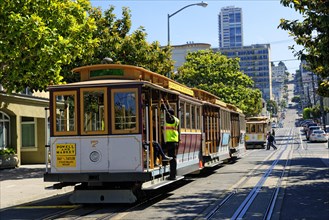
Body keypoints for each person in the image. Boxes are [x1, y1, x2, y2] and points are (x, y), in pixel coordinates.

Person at [161, 98, 180, 180]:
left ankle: (171, 174)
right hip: (174, 140)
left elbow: (167, 113)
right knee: (172, 158)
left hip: (170, 141)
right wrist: (167, 102)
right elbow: (169, 111)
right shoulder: (176, 119)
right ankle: (172, 174)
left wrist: (163, 104)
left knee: (160, 151)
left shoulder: (171, 119)